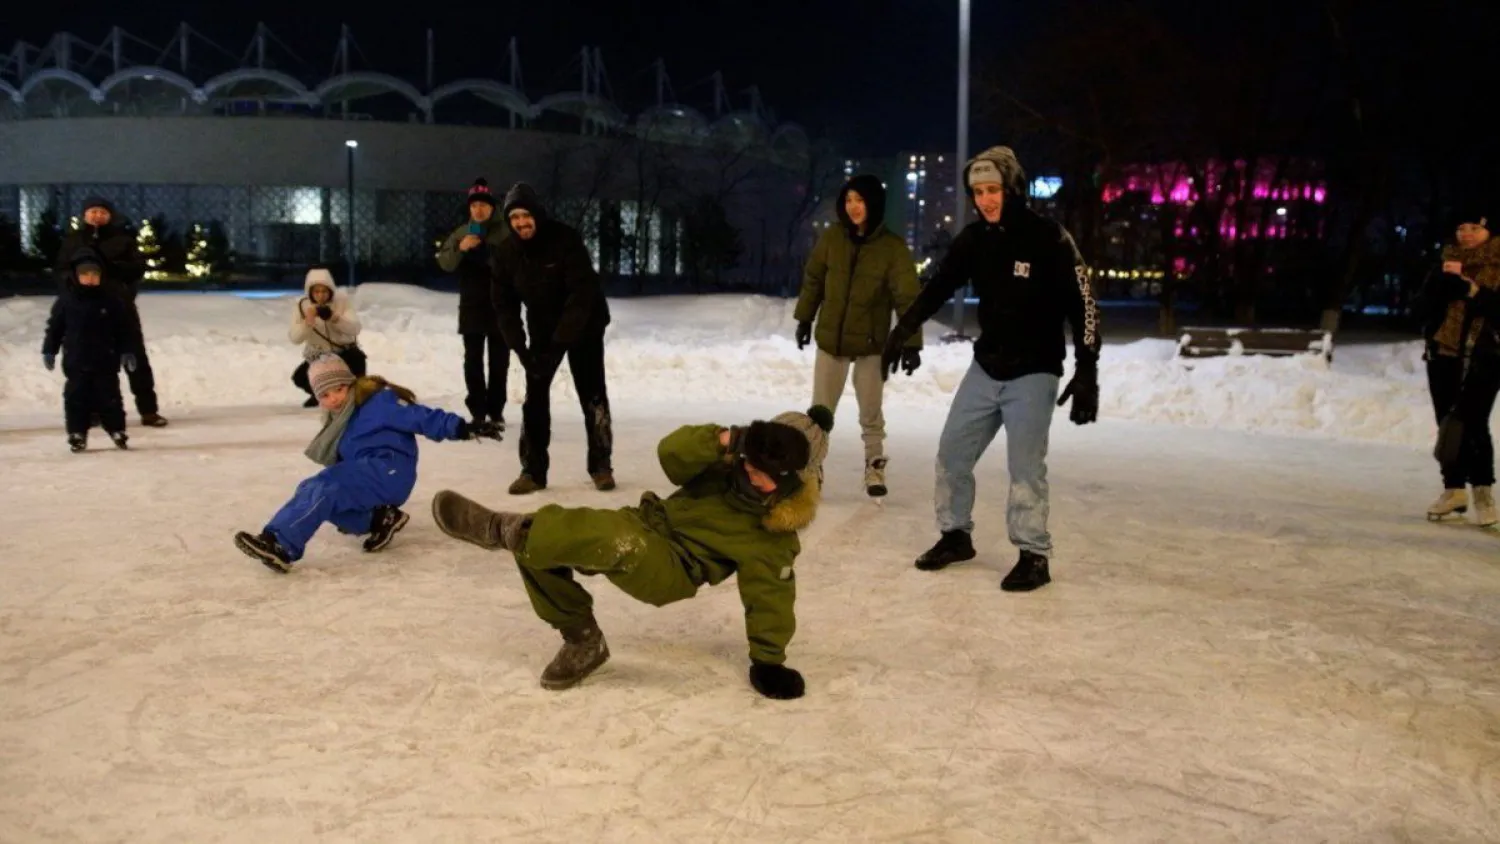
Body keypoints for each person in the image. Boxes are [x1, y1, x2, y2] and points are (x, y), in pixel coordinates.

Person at [430, 405, 834, 697]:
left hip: (672, 568)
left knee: (605, 536)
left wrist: (769, 663)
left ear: (792, 482)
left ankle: (497, 528)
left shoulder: (772, 535)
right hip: (646, 521)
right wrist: (730, 439)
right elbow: (670, 454)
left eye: (765, 478)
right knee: (540, 545)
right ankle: (582, 640)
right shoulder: (724, 467)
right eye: (751, 464)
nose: (752, 477)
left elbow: (771, 599)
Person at [880, 145, 1101, 592]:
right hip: (987, 366)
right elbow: (938, 285)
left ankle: (1034, 554)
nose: (985, 199)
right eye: (977, 191)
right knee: (952, 454)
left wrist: (1087, 369)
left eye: (993, 189)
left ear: (1013, 188)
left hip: (1035, 370)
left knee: (1025, 468)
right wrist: (902, 329)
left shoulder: (1049, 238)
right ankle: (956, 536)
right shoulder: (975, 240)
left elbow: (1084, 305)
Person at [234, 354, 503, 573]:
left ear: (350, 383)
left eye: (338, 389)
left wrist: (463, 428)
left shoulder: (379, 401)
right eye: (325, 396)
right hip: (368, 473)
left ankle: (280, 544)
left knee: (323, 486)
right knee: (324, 501)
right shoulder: (340, 421)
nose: (334, 399)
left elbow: (420, 417)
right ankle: (380, 519)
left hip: (389, 470)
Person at [794, 173, 922, 497]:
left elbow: (907, 297)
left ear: (873, 203)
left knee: (870, 411)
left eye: (860, 200)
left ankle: (874, 467)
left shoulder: (892, 248)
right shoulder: (832, 239)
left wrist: (910, 343)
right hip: (832, 340)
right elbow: (814, 279)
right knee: (820, 411)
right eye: (849, 200)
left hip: (870, 344)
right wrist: (805, 318)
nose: (853, 207)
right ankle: (812, 468)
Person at [490, 182, 614, 494]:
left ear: (537, 214)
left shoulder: (565, 240)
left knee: (592, 392)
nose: (521, 223)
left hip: (585, 321)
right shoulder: (507, 252)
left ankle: (601, 466)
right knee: (535, 392)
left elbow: (581, 296)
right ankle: (532, 471)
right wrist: (521, 348)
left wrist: (557, 346)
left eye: (526, 215)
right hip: (542, 323)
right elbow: (503, 305)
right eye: (514, 217)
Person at [53, 197, 167, 427]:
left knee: (135, 357)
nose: (97, 216)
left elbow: (136, 269)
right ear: (85, 215)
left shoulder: (122, 240)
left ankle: (148, 409)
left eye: (102, 212)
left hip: (119, 307)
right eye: (93, 211)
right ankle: (94, 411)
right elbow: (61, 271)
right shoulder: (73, 241)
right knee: (92, 361)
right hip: (87, 310)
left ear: (110, 216)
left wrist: (113, 275)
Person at [1421, 208, 1500, 526]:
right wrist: (1439, 288)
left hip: (1486, 355)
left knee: (1473, 421)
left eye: (1474, 228)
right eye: (1461, 228)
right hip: (1444, 353)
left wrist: (1474, 293)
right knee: (1447, 423)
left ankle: (1483, 493)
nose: (1466, 234)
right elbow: (1420, 309)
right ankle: (1453, 490)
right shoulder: (1444, 264)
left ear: (1489, 233)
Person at [41, 247, 144, 452]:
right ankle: (77, 432)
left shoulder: (111, 300)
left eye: (94, 274)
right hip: (76, 359)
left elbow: (124, 329)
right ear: (76, 276)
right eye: (85, 274)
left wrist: (128, 350)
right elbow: (55, 328)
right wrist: (49, 349)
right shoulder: (66, 301)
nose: (90, 278)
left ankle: (116, 429)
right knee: (76, 397)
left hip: (105, 358)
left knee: (110, 397)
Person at [436, 177, 511, 429]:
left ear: (493, 207)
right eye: (474, 205)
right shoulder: (462, 232)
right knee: (473, 359)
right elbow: (445, 263)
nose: (479, 210)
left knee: (500, 359)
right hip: (472, 304)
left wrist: (488, 253)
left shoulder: (505, 231)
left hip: (502, 304)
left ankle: (496, 409)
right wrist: (461, 247)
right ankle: (478, 409)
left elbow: (518, 263)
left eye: (484, 205)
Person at [289, 268, 365, 407]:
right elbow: (294, 338)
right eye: (316, 292)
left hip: (344, 352)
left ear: (330, 290)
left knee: (357, 373)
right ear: (310, 292)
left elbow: (355, 328)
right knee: (299, 377)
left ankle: (352, 396)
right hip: (319, 355)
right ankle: (321, 394)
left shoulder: (341, 302)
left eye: (324, 291)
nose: (320, 296)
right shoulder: (302, 306)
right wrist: (307, 322)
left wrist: (334, 317)